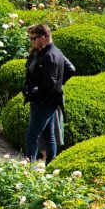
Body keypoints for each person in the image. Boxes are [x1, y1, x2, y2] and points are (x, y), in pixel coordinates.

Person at [24, 24, 72, 164]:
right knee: (49, 135)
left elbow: (50, 82)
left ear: (43, 37)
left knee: (32, 136)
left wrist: (38, 95)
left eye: (33, 38)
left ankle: (29, 169)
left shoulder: (49, 55)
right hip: (49, 101)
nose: (32, 41)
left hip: (44, 102)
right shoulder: (54, 52)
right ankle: (50, 166)